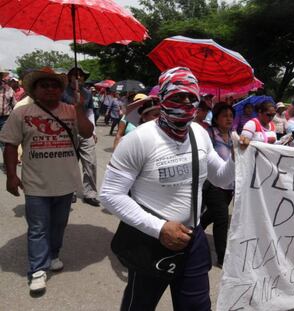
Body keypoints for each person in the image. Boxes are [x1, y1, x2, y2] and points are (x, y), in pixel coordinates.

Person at [100, 67, 235, 311]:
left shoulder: (199, 133)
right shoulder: (139, 139)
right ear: (162, 98)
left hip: (192, 240)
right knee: (139, 305)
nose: (186, 103)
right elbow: (110, 194)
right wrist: (159, 228)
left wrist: (238, 157)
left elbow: (223, 179)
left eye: (191, 97)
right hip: (150, 241)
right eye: (178, 97)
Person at [0, 67, 93, 294]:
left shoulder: (71, 110)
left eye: (54, 85)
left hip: (65, 182)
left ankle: (53, 255)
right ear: (35, 89)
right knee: (38, 228)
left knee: (58, 224)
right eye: (44, 85)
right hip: (35, 183)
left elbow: (88, 133)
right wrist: (12, 176)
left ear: (62, 89)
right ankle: (37, 270)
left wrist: (80, 110)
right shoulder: (21, 113)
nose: (50, 89)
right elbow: (10, 145)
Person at [200, 102, 234, 268]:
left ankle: (195, 231)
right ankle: (222, 257)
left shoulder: (235, 136)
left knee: (211, 215)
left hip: (230, 186)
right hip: (212, 183)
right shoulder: (209, 134)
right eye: (224, 115)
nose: (228, 119)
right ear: (216, 118)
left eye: (231, 116)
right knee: (222, 220)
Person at [62, 66, 100, 207]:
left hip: (85, 130)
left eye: (81, 75)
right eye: (75, 75)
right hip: (67, 131)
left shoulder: (87, 93)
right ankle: (70, 191)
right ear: (69, 77)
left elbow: (90, 112)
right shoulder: (61, 92)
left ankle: (90, 193)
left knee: (90, 162)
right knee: (70, 163)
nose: (78, 77)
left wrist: (93, 130)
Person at [0, 68, 16, 156]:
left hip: (5, 119)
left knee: (4, 141)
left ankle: (7, 164)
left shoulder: (8, 89)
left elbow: (14, 105)